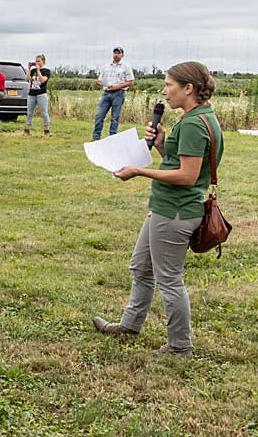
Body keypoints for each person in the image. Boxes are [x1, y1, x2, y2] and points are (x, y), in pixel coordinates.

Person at [93, 61, 223, 358]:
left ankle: (180, 346)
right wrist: (163, 144)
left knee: (169, 279)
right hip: (167, 207)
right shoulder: (201, 118)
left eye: (169, 85)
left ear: (188, 89)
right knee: (141, 267)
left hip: (175, 212)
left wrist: (139, 171)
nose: (164, 92)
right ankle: (130, 324)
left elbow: (188, 176)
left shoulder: (192, 124)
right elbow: (180, 164)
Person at [92, 46, 135, 140]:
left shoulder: (126, 66)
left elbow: (131, 81)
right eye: (115, 52)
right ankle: (96, 137)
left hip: (118, 93)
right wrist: (100, 82)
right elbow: (100, 79)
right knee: (99, 115)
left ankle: (112, 138)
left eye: (119, 53)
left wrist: (117, 86)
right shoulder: (106, 66)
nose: (116, 54)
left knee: (115, 117)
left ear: (122, 55)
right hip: (106, 93)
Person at [25, 54, 51, 136]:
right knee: (29, 113)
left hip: (41, 94)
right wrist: (29, 69)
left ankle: (46, 131)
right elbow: (27, 79)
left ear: (43, 61)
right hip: (31, 94)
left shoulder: (46, 71)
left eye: (39, 61)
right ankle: (27, 130)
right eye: (36, 61)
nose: (37, 62)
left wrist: (38, 70)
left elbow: (43, 80)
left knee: (44, 113)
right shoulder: (33, 71)